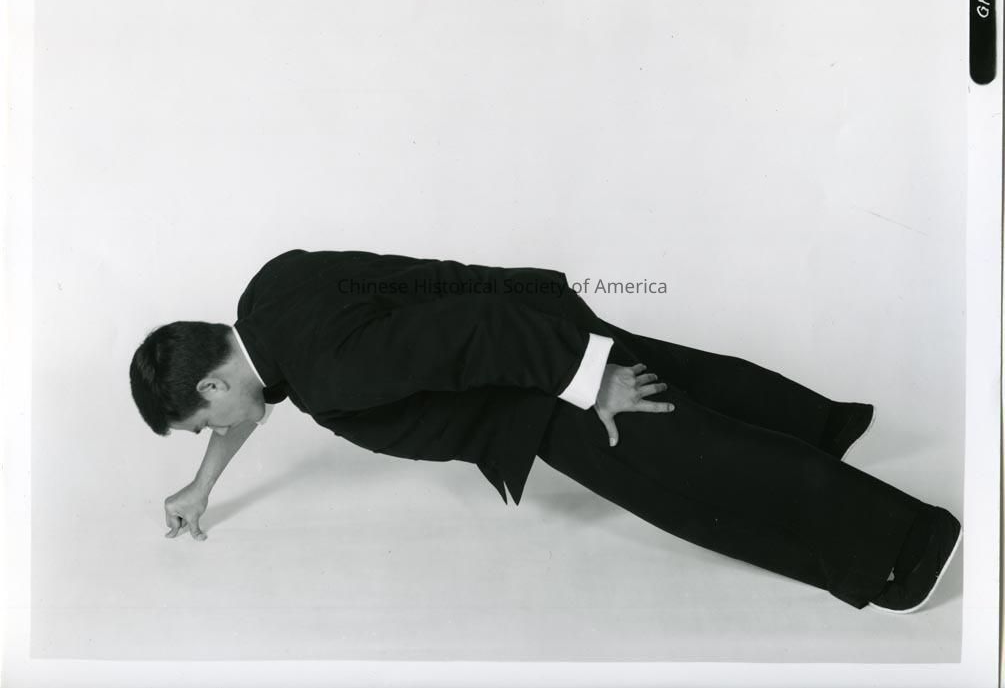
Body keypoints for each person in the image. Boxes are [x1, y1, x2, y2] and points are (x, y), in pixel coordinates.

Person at [129, 248, 962, 614]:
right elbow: (256, 394)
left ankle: (906, 549)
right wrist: (203, 484)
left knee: (698, 476)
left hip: (536, 387)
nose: (217, 430)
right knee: (684, 380)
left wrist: (592, 381)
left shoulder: (330, 374)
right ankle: (819, 428)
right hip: (536, 314)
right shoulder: (268, 295)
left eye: (204, 422)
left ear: (210, 383)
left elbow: (474, 337)